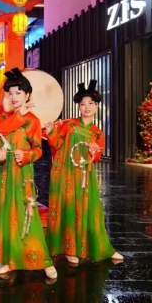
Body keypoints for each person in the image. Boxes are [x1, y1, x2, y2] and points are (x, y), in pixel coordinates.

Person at [0, 67, 57, 279]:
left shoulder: (33, 121)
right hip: (1, 174)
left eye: (18, 93)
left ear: (27, 95)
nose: (14, 97)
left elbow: (38, 149)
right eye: (11, 93)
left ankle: (43, 260)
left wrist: (25, 155)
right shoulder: (1, 119)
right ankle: (8, 259)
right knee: (4, 215)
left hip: (22, 174)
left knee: (26, 215)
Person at [44, 80, 123, 264]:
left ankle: (100, 247)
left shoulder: (97, 132)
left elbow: (96, 158)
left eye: (90, 103)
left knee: (88, 209)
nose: (87, 107)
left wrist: (94, 148)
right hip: (65, 173)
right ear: (78, 107)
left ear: (97, 106)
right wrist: (50, 131)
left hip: (84, 176)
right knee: (67, 207)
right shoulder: (69, 124)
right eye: (83, 104)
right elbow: (57, 144)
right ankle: (69, 249)